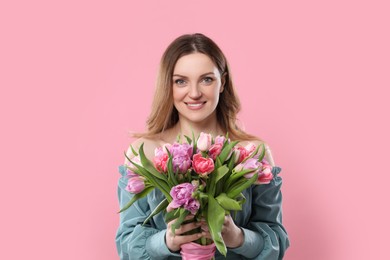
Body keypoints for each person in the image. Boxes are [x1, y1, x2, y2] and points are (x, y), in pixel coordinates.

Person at [116, 33, 290, 259]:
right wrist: (167, 241)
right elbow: (126, 245)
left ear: (222, 82)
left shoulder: (252, 153)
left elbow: (276, 240)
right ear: (168, 86)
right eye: (181, 81)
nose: (195, 93)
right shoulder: (144, 153)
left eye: (206, 79)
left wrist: (237, 237)